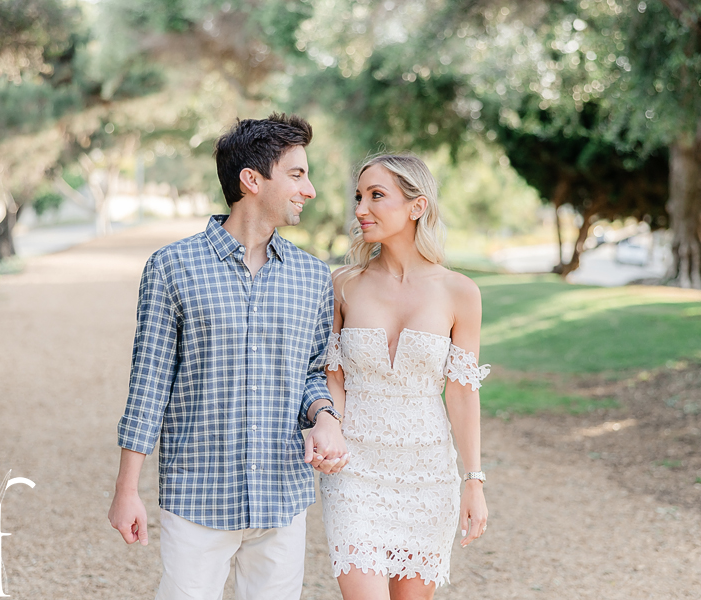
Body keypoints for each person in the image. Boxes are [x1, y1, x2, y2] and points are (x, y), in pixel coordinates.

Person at [107, 113, 349, 600]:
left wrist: (326, 417)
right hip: (197, 496)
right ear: (251, 180)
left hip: (282, 496)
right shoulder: (172, 267)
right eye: (297, 175)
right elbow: (149, 384)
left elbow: (311, 374)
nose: (309, 190)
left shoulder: (312, 277)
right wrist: (126, 490)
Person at [319, 154, 489, 600]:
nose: (361, 208)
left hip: (428, 474)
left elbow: (462, 393)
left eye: (376, 195)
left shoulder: (460, 292)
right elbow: (333, 376)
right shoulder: (343, 284)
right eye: (359, 197)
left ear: (417, 206)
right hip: (354, 470)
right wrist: (331, 427)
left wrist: (473, 480)